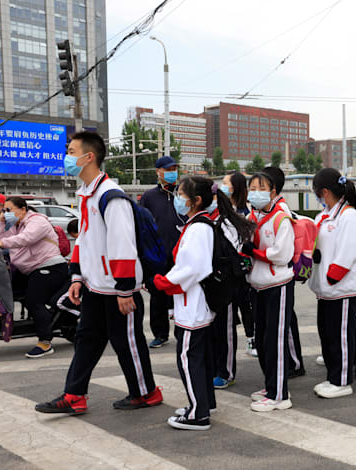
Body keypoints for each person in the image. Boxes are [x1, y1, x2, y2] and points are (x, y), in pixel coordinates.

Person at [35, 131, 162, 415]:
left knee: (127, 343)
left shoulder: (110, 197)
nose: (66, 157)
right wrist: (77, 276)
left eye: (71, 151)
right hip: (94, 286)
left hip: (117, 289)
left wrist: (125, 288)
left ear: (88, 156)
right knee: (86, 340)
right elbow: (84, 240)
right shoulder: (87, 196)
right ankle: (74, 395)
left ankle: (146, 392)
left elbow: (122, 246)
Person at [151, 176, 250, 430]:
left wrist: (164, 282)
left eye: (180, 195)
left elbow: (193, 268)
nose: (176, 200)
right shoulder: (199, 224)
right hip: (196, 303)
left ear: (195, 201)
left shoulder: (198, 228)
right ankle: (204, 403)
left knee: (188, 358)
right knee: (200, 358)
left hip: (192, 304)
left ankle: (198, 413)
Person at [0, 197, 69, 358]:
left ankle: (45, 342)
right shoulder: (16, 224)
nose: (6, 213)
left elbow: (26, 238)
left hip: (49, 268)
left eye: (9, 210)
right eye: (4, 210)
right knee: (7, 290)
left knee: (34, 300)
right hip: (29, 270)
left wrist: (2, 244)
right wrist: (1, 221)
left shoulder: (37, 221)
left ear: (23, 209)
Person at [309, 168, 356, 398]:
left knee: (341, 336)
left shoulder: (349, 215)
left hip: (340, 288)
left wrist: (333, 276)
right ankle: (333, 376)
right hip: (325, 289)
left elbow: (348, 252)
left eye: (316, 193)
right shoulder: (324, 215)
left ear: (324, 191)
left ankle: (342, 381)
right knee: (328, 334)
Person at [244, 173, 296, 411]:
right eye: (252, 188)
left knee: (275, 341)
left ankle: (279, 395)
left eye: (260, 188)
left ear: (273, 192)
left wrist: (253, 253)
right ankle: (271, 385)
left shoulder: (281, 219)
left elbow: (281, 256)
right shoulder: (252, 216)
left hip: (278, 286)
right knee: (263, 340)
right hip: (258, 285)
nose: (255, 192)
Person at [208, 179, 253, 390]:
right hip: (210, 284)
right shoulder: (207, 220)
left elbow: (233, 253)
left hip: (225, 285)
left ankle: (226, 372)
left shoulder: (226, 223)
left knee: (224, 329)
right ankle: (216, 368)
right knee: (213, 329)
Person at [140, 155, 187, 349]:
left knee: (182, 293)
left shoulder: (183, 193)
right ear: (158, 172)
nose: (172, 173)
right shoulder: (149, 197)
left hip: (181, 254)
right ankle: (160, 334)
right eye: (168, 169)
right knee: (157, 295)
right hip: (158, 255)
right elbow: (142, 225)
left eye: (174, 169)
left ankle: (183, 331)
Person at [263, 166, 305, 378]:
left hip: (281, 273)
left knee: (286, 322)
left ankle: (294, 363)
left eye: (260, 185)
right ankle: (291, 361)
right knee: (285, 320)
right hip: (273, 274)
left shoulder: (281, 210)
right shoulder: (271, 207)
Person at [222, 171, 257, 357]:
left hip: (243, 266)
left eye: (225, 182)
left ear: (234, 186)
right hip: (228, 268)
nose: (222, 185)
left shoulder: (246, 212)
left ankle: (251, 338)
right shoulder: (222, 209)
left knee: (246, 304)